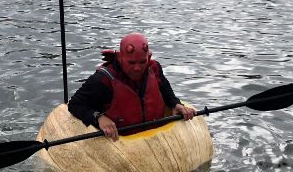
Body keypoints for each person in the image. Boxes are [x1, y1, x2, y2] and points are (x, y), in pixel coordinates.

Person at [67, 33, 196, 142]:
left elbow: (165, 88)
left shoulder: (154, 68)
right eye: (131, 63)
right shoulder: (102, 80)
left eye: (142, 62)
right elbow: (75, 104)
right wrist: (98, 117)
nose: (137, 68)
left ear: (148, 58)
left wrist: (175, 103)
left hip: (155, 138)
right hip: (122, 142)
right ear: (120, 58)